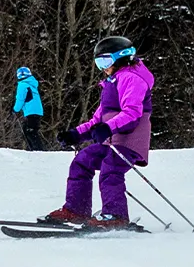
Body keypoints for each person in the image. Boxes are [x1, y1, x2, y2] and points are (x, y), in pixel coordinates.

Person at [40, 36, 155, 229]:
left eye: (105, 61)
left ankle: (116, 216)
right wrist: (75, 134)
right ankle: (76, 210)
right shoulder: (112, 82)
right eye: (98, 63)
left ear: (122, 58)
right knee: (82, 161)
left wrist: (108, 128)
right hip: (112, 140)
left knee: (111, 169)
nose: (102, 67)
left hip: (130, 141)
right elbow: (97, 121)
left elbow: (132, 114)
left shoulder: (132, 78)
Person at [13, 66, 46, 151]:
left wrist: (15, 109)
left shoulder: (22, 85)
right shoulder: (32, 84)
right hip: (36, 110)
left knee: (30, 131)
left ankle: (38, 150)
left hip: (31, 111)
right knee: (28, 129)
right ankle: (33, 148)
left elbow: (20, 99)